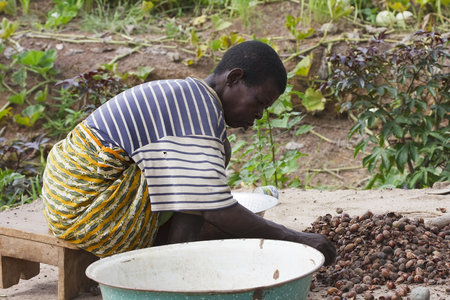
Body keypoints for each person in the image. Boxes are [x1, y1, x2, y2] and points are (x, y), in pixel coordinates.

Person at [42, 40, 336, 265]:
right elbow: (213, 207)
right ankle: (177, 262)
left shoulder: (191, 99)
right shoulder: (197, 110)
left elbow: (201, 200)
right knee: (204, 189)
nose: (259, 114)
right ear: (233, 78)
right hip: (86, 209)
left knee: (203, 175)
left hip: (68, 198)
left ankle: (181, 255)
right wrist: (296, 238)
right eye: (258, 101)